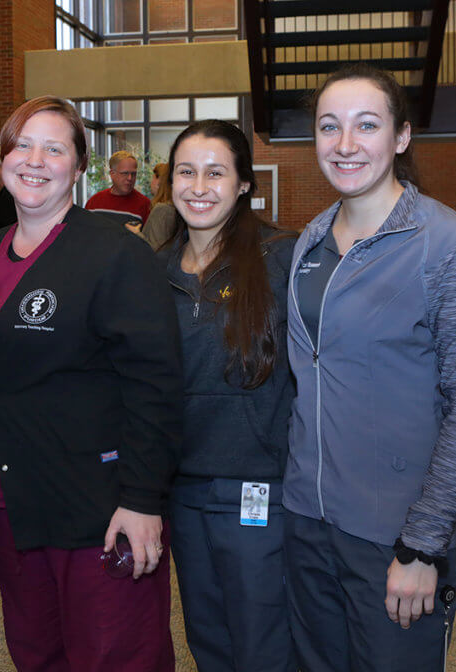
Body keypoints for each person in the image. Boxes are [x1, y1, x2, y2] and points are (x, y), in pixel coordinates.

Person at [0, 96, 184, 672]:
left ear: (79, 167)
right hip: (12, 503)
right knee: (36, 653)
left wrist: (142, 499)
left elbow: (155, 385)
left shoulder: (116, 254)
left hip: (99, 510)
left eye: (55, 148)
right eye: (22, 145)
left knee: (115, 656)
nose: (35, 160)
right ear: (4, 158)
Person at [284, 63, 456, 671]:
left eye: (366, 125)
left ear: (401, 137)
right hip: (307, 520)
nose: (345, 144)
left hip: (395, 532)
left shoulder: (449, 245)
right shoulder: (310, 240)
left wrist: (424, 543)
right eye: (329, 127)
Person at [158, 120, 296, 672]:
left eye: (216, 173)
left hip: (259, 487)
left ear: (243, 184)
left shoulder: (280, 259)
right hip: (183, 489)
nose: (199, 186)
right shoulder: (154, 269)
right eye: (186, 172)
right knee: (207, 635)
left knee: (263, 639)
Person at [85, 150, 152, 227]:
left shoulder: (145, 205)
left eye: (133, 174)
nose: (130, 178)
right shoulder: (94, 203)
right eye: (125, 173)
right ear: (112, 174)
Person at [142, 161, 177, 250]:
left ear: (159, 182)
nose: (151, 182)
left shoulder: (162, 210)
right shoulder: (174, 208)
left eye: (152, 178)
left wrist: (136, 234)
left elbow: (154, 249)